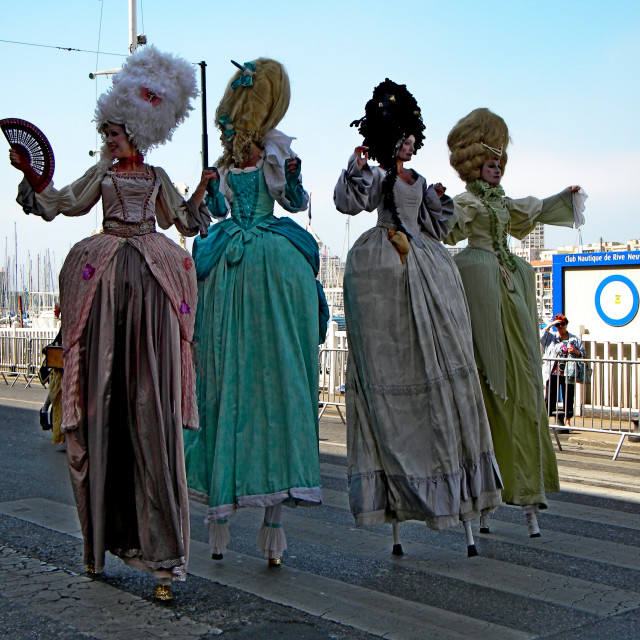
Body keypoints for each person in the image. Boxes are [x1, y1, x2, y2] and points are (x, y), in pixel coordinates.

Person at [9, 45, 213, 601]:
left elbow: (188, 221)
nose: (109, 139)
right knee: (102, 403)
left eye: (116, 131)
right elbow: (59, 203)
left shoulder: (157, 177)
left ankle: (163, 555)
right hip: (106, 285)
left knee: (150, 410)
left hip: (150, 285)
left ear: (137, 130)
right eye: (107, 132)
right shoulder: (101, 173)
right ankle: (100, 541)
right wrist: (31, 175)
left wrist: (201, 188)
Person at [333, 80, 502, 557]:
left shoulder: (420, 182)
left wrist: (438, 199)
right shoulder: (383, 180)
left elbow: (438, 226)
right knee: (394, 368)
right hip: (385, 266)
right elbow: (352, 203)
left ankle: (453, 495)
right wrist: (358, 167)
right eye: (402, 137)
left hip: (427, 264)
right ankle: (401, 494)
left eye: (411, 136)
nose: (408, 143)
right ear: (390, 139)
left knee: (444, 363)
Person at [183, 58, 327, 567]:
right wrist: (207, 189)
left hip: (263, 263)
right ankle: (224, 512)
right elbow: (217, 213)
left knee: (274, 378)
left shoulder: (275, 153)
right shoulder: (223, 166)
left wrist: (292, 174)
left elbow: (294, 200)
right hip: (233, 264)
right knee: (223, 376)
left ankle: (271, 520)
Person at [445, 108, 587, 537]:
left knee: (521, 378)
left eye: (500, 164)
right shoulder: (468, 203)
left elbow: (536, 210)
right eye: (491, 164)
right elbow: (446, 227)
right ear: (475, 167)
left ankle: (525, 487)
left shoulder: (503, 203)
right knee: (488, 380)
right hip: (482, 280)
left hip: (508, 281)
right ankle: (486, 491)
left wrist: (564, 196)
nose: (497, 170)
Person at [541, 313, 586, 429]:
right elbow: (539, 337)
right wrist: (550, 325)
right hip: (553, 371)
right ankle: (546, 419)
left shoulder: (574, 339)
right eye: (558, 325)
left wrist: (576, 351)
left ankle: (568, 421)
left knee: (568, 395)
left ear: (566, 324)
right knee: (550, 395)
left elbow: (583, 353)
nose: (560, 327)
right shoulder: (551, 337)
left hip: (568, 371)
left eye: (562, 324)